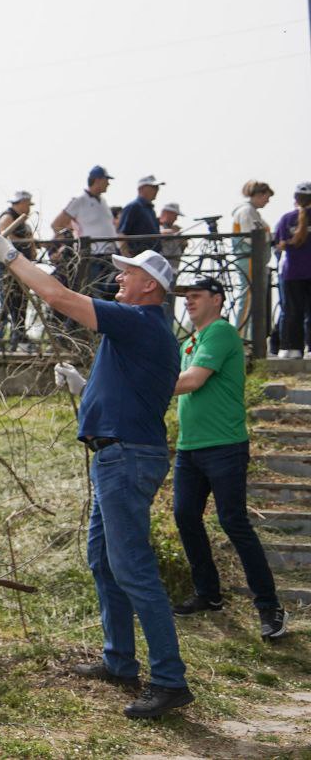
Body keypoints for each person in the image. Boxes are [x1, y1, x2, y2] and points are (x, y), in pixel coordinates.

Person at [0, 229, 193, 719]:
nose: (119, 275)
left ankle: (169, 679)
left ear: (150, 287)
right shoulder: (142, 330)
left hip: (126, 459)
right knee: (103, 559)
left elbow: (55, 296)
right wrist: (84, 384)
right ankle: (119, 660)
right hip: (117, 455)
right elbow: (129, 390)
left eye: (129, 272)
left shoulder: (139, 320)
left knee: (133, 567)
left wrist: (10, 255)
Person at [170, 276, 286, 641]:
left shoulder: (220, 332)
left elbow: (190, 382)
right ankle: (208, 594)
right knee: (186, 516)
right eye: (185, 296)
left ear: (217, 300)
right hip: (190, 447)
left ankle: (269, 608)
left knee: (233, 522)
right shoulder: (191, 340)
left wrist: (138, 384)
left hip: (224, 446)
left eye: (196, 295)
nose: (188, 301)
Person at [52, 166, 118, 299]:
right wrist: (69, 241)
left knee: (109, 294)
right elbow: (57, 224)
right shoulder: (79, 200)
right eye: (106, 180)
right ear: (98, 180)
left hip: (108, 256)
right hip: (92, 256)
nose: (108, 183)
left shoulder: (103, 201)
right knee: (93, 294)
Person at [0, 190, 37, 350]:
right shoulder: (7, 217)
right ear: (21, 203)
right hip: (10, 267)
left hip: (23, 267)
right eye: (28, 204)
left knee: (22, 301)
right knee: (8, 302)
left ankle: (19, 338)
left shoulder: (24, 223)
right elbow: (4, 238)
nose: (29, 209)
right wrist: (27, 241)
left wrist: (33, 248)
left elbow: (31, 244)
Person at [271, 183, 311, 359]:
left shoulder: (286, 219)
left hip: (292, 272)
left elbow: (279, 244)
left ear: (295, 199)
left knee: (291, 310)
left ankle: (290, 348)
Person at [231, 181, 273, 339]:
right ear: (259, 194)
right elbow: (251, 238)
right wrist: (271, 237)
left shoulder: (250, 211)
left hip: (250, 259)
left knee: (250, 299)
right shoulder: (247, 211)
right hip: (248, 259)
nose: (267, 201)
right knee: (248, 298)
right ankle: (240, 337)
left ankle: (246, 336)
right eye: (266, 197)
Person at [117, 175, 164, 255]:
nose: (157, 190)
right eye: (153, 187)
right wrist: (127, 257)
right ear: (142, 189)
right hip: (138, 258)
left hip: (151, 256)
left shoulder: (150, 209)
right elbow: (122, 234)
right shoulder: (133, 206)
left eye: (157, 187)